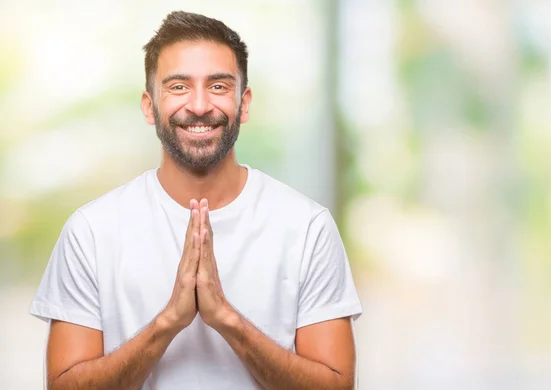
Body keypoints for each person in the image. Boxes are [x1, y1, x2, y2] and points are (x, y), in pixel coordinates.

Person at [30, 10, 362, 390]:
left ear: (245, 102)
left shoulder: (307, 228)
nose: (200, 105)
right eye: (178, 87)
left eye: (219, 86)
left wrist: (226, 319)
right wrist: (168, 322)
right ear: (149, 106)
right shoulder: (90, 231)